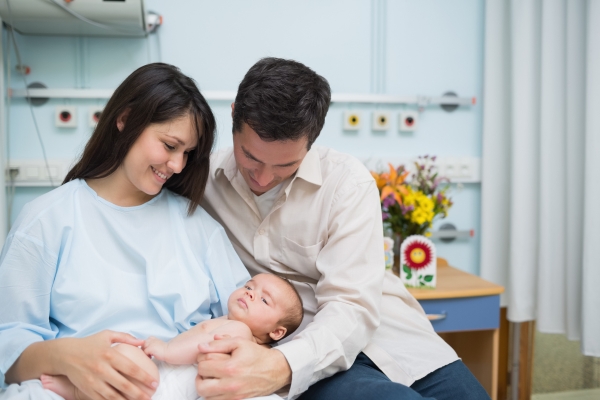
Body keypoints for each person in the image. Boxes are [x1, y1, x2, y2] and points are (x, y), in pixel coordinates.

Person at [198, 57, 491, 400]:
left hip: (392, 337)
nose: (262, 178)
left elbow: (351, 305)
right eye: (251, 158)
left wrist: (279, 367)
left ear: (312, 142)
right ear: (233, 114)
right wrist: (283, 364)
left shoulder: (347, 183)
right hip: (307, 351)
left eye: (285, 165)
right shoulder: (202, 181)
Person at [0, 63, 251, 400]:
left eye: (188, 153)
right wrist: (69, 356)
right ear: (125, 120)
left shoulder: (199, 228)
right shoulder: (47, 219)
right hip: (73, 386)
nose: (178, 166)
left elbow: (245, 322)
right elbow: (8, 347)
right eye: (169, 145)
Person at [39, 273, 304, 400]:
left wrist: (165, 350)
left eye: (264, 300)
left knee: (125, 356)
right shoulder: (234, 327)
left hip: (167, 386)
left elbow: (202, 345)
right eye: (249, 286)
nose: (249, 293)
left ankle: (75, 390)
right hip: (175, 386)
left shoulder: (239, 332)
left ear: (276, 332)